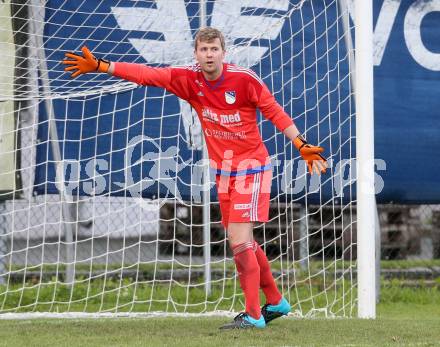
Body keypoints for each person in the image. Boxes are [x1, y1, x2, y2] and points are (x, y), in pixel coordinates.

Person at [62, 27, 327, 329]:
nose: (209, 54)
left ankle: (254, 316)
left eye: (214, 49)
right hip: (223, 173)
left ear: (223, 53)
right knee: (245, 243)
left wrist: (301, 144)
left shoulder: (243, 80)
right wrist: (102, 66)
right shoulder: (189, 80)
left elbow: (274, 111)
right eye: (204, 50)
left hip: (252, 169)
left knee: (239, 244)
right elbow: (147, 75)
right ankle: (276, 301)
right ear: (196, 54)